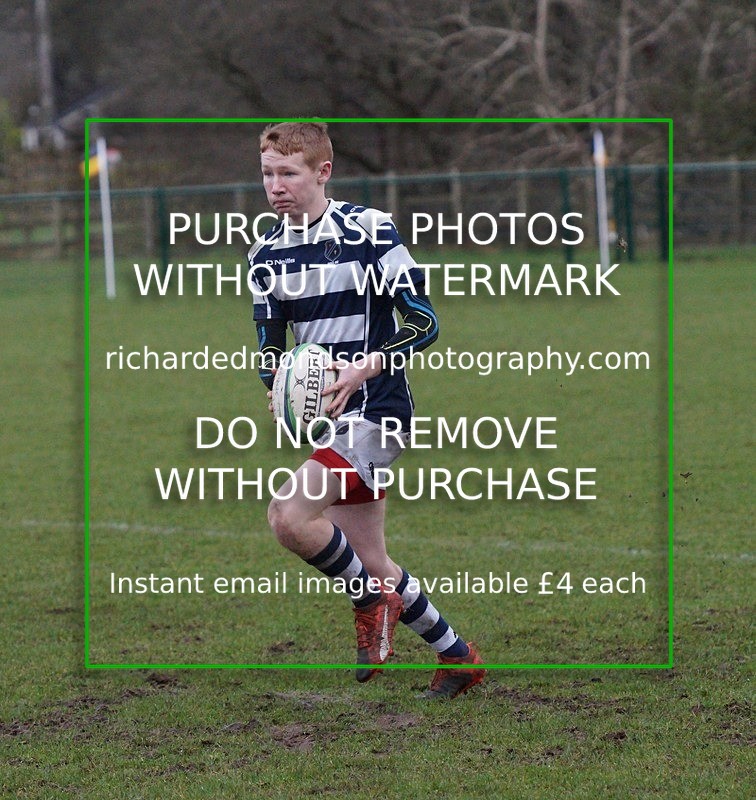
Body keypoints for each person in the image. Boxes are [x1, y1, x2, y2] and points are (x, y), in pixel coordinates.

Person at [248, 122, 484, 699]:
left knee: (289, 516)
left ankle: (369, 601)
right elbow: (269, 351)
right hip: (330, 418)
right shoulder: (264, 255)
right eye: (267, 174)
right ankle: (458, 656)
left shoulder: (370, 231)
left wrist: (364, 367)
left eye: (288, 173)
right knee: (373, 560)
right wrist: (277, 384)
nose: (275, 186)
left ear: (322, 172)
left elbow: (424, 323)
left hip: (377, 409)